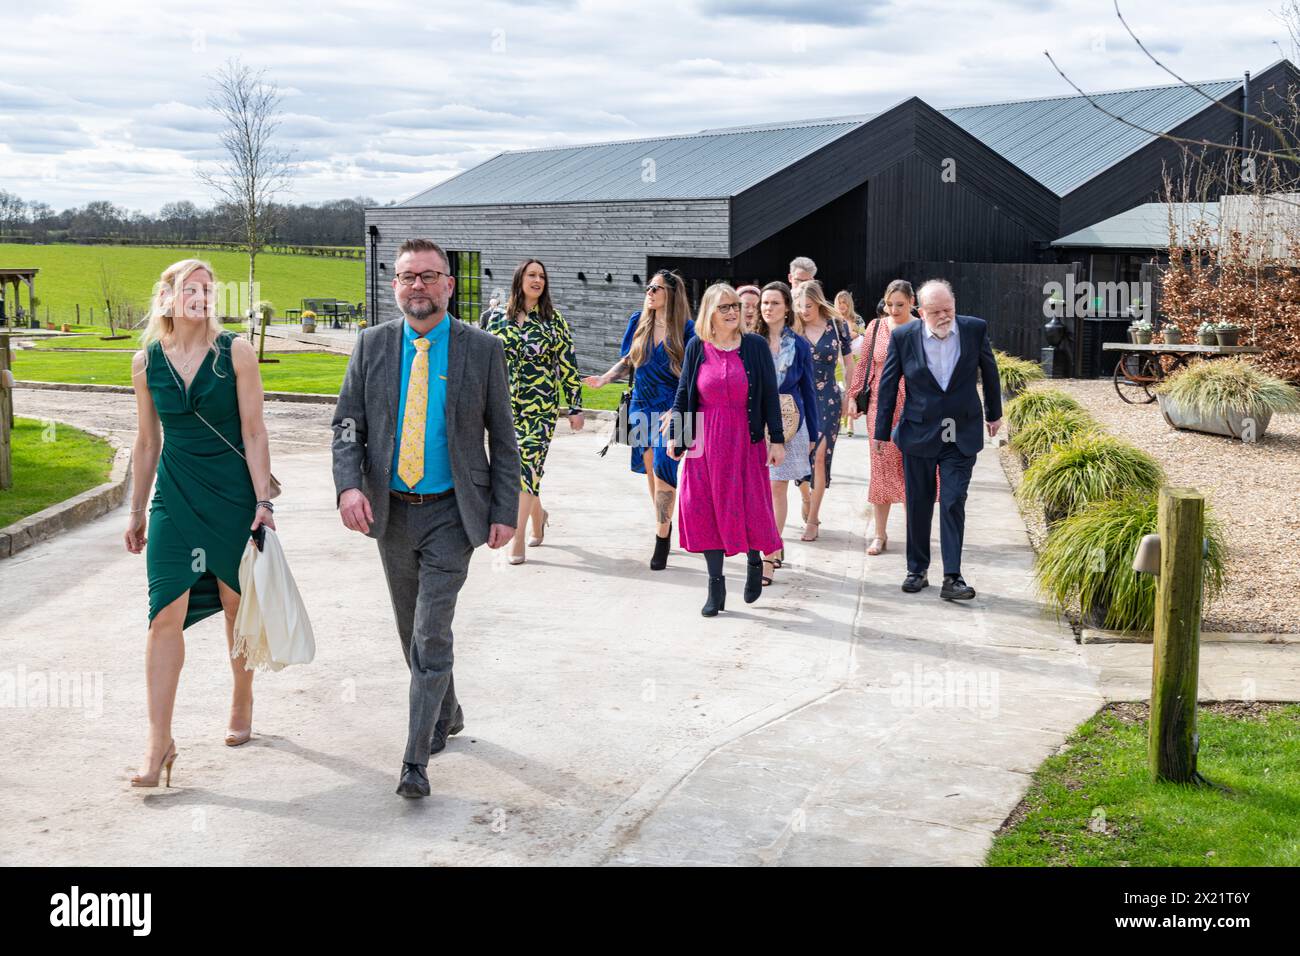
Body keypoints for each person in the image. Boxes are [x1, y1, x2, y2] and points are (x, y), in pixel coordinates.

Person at [331, 238, 521, 798]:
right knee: (410, 630)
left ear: (448, 285)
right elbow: (347, 427)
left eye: (429, 276)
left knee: (430, 631)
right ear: (395, 286)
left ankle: (414, 761)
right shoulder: (371, 346)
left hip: (451, 513)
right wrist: (347, 487)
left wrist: (505, 511)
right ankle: (448, 711)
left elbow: (503, 440)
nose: (418, 285)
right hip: (390, 513)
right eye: (408, 276)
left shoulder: (481, 349)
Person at [124, 258, 276, 787]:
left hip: (232, 497)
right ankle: (158, 742)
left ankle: (242, 696)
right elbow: (147, 443)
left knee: (237, 605)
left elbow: (254, 432)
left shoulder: (235, 351)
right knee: (163, 614)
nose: (202, 295)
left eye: (208, 288)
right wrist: (138, 508)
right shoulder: (145, 362)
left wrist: (264, 502)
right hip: (174, 499)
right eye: (190, 288)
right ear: (166, 298)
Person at [872, 279, 1002, 601]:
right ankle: (916, 570)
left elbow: (990, 370)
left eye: (949, 309)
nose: (944, 316)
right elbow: (888, 384)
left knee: (953, 499)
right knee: (918, 502)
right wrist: (880, 431)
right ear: (921, 311)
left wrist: (994, 414)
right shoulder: (905, 337)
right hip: (919, 431)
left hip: (961, 430)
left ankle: (953, 577)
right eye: (936, 311)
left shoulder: (974, 329)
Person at [668, 283, 785, 616]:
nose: (734, 311)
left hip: (744, 440)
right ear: (710, 312)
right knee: (704, 508)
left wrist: (776, 439)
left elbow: (769, 396)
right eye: (725, 307)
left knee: (747, 505)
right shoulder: (696, 347)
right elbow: (684, 394)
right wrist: (678, 435)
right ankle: (715, 586)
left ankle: (752, 561)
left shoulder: (756, 346)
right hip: (704, 442)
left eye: (736, 305)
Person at [584, 269, 695, 569]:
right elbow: (628, 360)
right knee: (651, 471)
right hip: (641, 406)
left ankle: (661, 537)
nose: (649, 292)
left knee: (664, 469)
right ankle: (665, 525)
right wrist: (606, 378)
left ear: (671, 293)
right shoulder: (638, 321)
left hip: (673, 408)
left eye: (656, 288)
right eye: (648, 287)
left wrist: (680, 409)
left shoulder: (687, 329)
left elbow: (693, 373)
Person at [483, 259, 585, 564]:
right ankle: (539, 516)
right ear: (520, 279)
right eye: (532, 275)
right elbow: (485, 363)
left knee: (526, 468)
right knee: (521, 471)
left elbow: (569, 366)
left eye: (542, 276)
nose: (537, 280)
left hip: (540, 408)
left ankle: (517, 540)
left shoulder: (555, 321)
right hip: (504, 406)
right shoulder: (496, 319)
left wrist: (575, 407)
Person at [849, 281, 937, 555]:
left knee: (914, 470)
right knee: (882, 468)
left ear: (912, 301)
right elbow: (864, 364)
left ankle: (915, 533)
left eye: (900, 304)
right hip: (880, 405)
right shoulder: (876, 327)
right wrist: (853, 395)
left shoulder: (924, 328)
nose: (894, 310)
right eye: (889, 304)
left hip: (915, 405)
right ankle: (880, 534)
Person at [757, 280, 819, 583]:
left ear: (786, 308)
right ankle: (770, 543)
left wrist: (814, 433)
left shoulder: (801, 345)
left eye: (775, 303)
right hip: (755, 424)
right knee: (758, 488)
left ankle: (768, 555)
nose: (768, 308)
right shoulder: (749, 341)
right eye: (765, 303)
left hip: (790, 423)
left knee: (778, 486)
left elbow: (808, 391)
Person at [793, 280, 855, 541]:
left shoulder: (838, 325)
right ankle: (806, 496)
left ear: (818, 303)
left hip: (829, 398)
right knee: (800, 457)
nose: (804, 311)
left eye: (808, 306)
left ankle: (814, 518)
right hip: (799, 400)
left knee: (821, 457)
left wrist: (848, 397)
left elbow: (849, 363)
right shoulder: (793, 328)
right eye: (799, 306)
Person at [835, 290, 864, 437]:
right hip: (838, 359)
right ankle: (840, 422)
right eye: (839, 303)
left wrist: (854, 334)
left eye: (844, 302)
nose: (842, 306)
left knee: (852, 389)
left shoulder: (857, 319)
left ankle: (850, 423)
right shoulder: (833, 318)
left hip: (855, 359)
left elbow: (864, 335)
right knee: (840, 388)